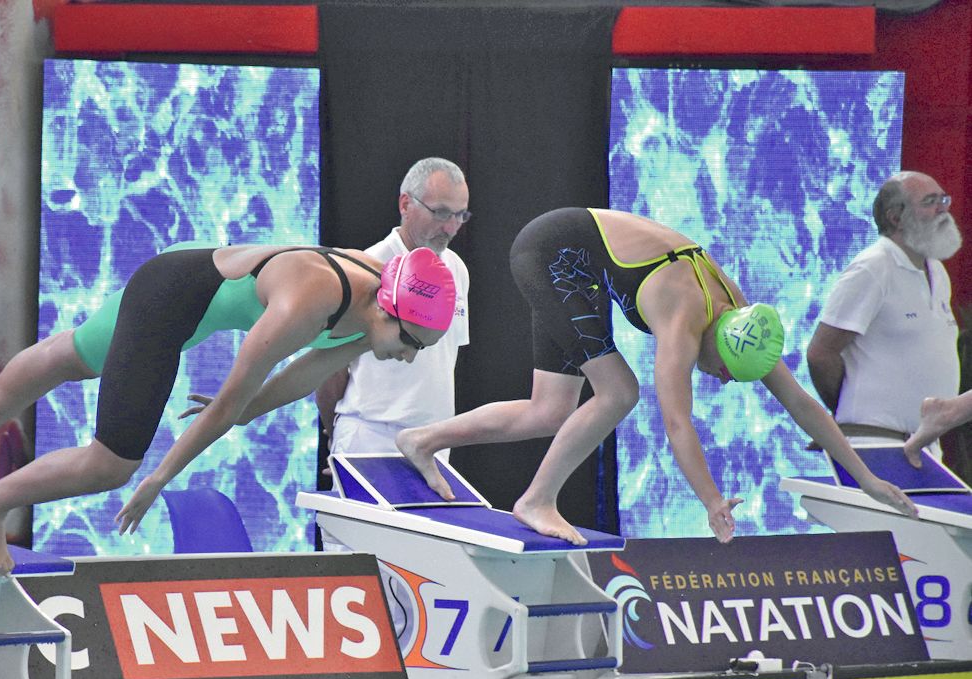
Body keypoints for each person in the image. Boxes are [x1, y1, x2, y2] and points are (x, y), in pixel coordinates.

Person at [0, 243, 458, 575]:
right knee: (110, 465)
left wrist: (246, 409)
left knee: (71, 355)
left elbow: (304, 375)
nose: (409, 357)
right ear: (386, 310)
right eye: (410, 343)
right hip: (170, 303)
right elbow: (228, 403)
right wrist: (157, 479)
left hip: (190, 269)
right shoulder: (311, 300)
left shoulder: (375, 304)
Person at [397, 207, 918, 546]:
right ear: (715, 345)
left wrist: (865, 479)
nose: (722, 380)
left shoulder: (741, 320)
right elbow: (676, 424)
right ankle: (536, 501)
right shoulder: (684, 319)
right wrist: (712, 502)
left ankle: (423, 441)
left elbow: (801, 402)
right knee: (619, 393)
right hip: (552, 253)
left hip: (572, 259)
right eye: (723, 371)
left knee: (550, 410)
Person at [317, 157, 472, 454]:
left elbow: (440, 364)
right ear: (405, 204)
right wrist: (338, 439)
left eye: (460, 215)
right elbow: (326, 369)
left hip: (434, 439)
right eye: (441, 213)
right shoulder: (363, 269)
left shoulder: (456, 269)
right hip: (370, 434)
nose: (451, 227)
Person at [807, 172, 962, 450]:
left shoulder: (937, 271)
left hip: (922, 444)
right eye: (930, 202)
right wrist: (854, 414)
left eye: (944, 200)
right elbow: (821, 353)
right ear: (895, 217)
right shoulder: (873, 267)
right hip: (874, 441)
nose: (942, 209)